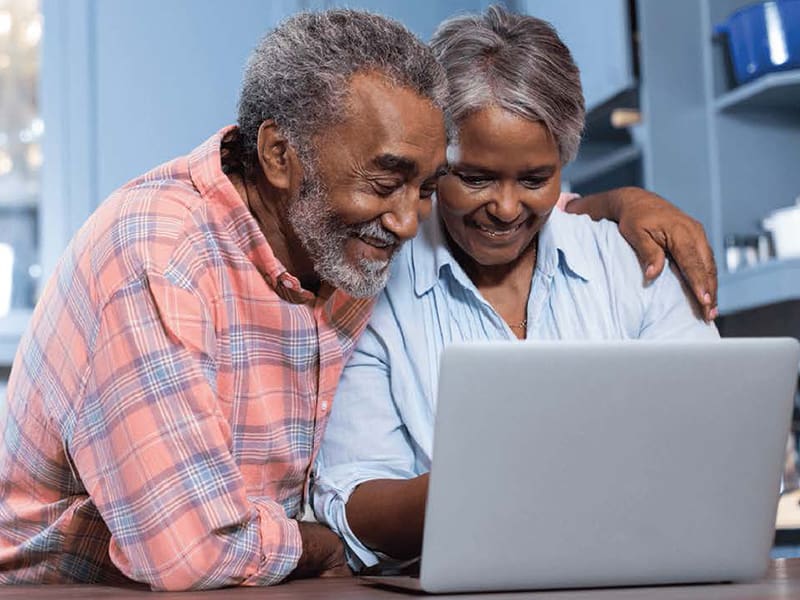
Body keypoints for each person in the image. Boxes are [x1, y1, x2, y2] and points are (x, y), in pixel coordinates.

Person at [0, 8, 713, 591]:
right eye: (386, 182)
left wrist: (621, 202)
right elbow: (192, 555)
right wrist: (322, 545)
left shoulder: (337, 247)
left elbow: (515, 210)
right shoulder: (158, 254)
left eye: (429, 186)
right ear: (280, 156)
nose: (410, 221)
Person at [311, 6, 720, 573]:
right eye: (474, 178)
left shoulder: (635, 266)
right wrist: (489, 486)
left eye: (534, 180)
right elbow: (351, 496)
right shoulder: (374, 289)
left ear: (563, 165)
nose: (505, 209)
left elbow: (726, 453)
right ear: (432, 160)